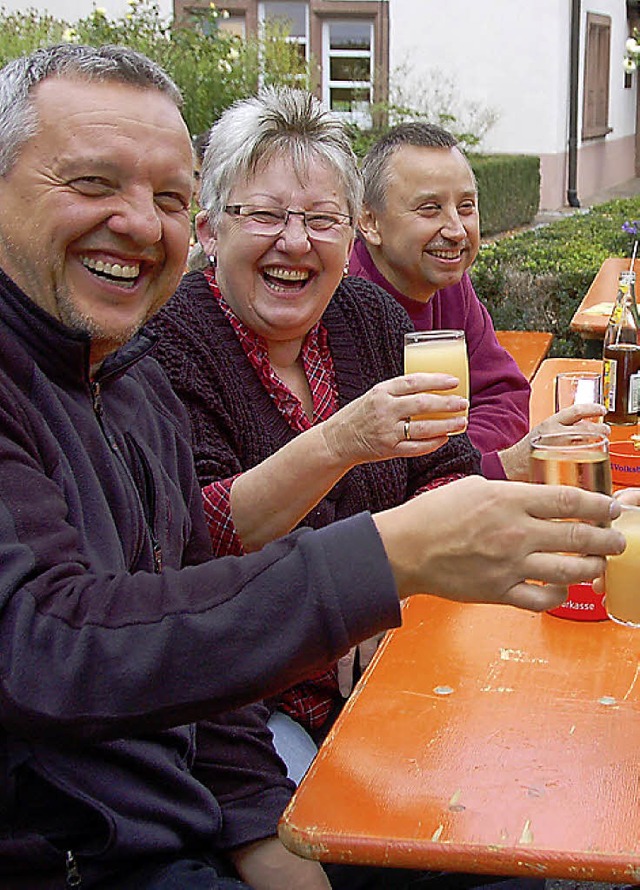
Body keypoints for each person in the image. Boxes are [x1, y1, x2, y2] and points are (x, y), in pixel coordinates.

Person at [0, 43, 624, 890]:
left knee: (540, 829)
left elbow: (183, 644)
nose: (141, 222)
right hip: (115, 836)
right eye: (92, 184)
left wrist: (261, 819)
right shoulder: (165, 350)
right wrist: (378, 546)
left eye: (166, 197)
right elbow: (68, 642)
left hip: (260, 753)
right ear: (216, 235)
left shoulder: (130, 372)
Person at [349, 122, 531, 479]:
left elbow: (504, 395)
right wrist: (482, 470)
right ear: (369, 222)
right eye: (430, 209)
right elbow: (372, 477)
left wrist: (461, 468)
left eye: (465, 207)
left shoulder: (449, 284)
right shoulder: (344, 306)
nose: (456, 230)